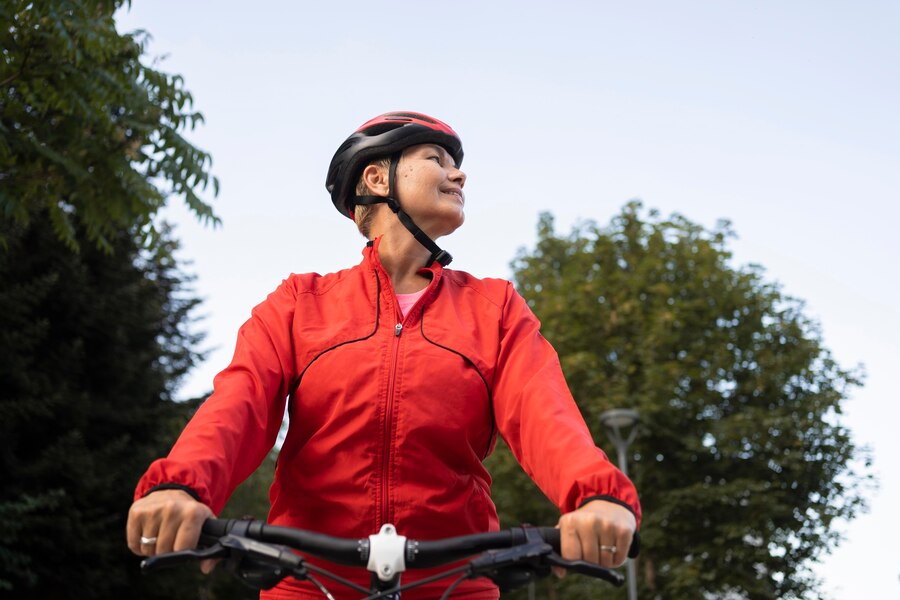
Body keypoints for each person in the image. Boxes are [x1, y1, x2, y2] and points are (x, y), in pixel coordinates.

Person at [127, 111, 641, 599]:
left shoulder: (495, 308)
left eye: (454, 163)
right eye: (436, 159)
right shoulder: (298, 304)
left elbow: (543, 414)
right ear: (376, 177)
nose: (458, 174)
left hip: (454, 583)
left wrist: (595, 496)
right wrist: (180, 487)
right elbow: (240, 405)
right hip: (308, 583)